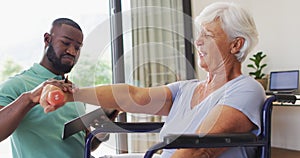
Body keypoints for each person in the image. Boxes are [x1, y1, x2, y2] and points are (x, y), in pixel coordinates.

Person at [38, 2, 265, 158]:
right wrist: (72, 94)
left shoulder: (245, 89)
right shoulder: (187, 89)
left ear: (236, 44)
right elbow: (133, 95)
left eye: (209, 35)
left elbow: (200, 151)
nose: (198, 42)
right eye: (199, 35)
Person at [0, 18, 90, 158]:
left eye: (77, 47)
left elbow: (79, 145)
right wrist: (29, 99)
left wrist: (106, 123)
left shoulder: (74, 92)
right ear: (47, 39)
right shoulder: (17, 85)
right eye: (65, 43)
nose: (72, 51)